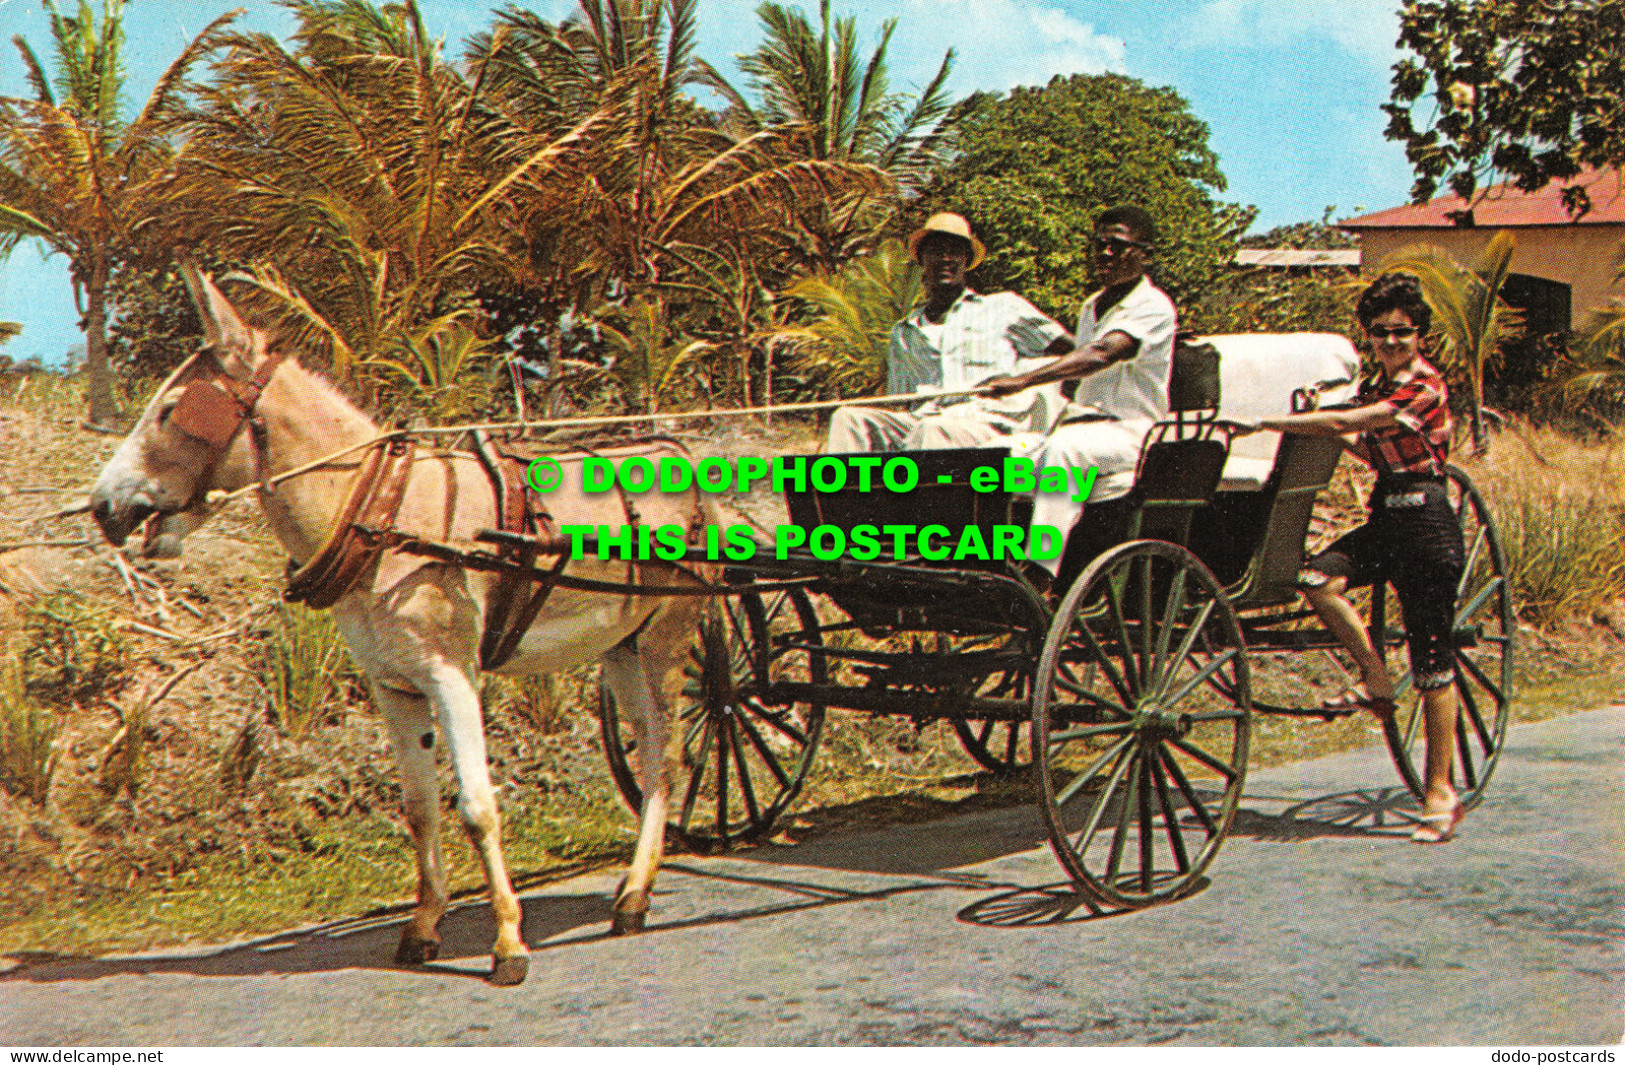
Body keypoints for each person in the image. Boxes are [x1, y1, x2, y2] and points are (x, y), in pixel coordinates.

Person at [1243, 272, 1466, 844]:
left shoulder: (1426, 387)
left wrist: (1269, 421)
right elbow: (1354, 435)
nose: (1391, 341)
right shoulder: (1375, 387)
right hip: (1387, 518)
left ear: (1420, 335)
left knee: (1435, 665)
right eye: (1381, 332)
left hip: (1428, 524)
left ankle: (1440, 792)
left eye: (1402, 332)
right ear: (1369, 335)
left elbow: (1349, 424)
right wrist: (1310, 412)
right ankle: (1375, 679)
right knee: (1317, 581)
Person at [979, 205, 1178, 576]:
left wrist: (1024, 380)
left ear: (1145, 255)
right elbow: (1077, 373)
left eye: (1117, 247)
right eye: (1100, 244)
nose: (1105, 254)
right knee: (992, 456)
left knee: (1064, 452)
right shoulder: (1092, 306)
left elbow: (1101, 354)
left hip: (1131, 432)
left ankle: (1040, 571)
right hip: (1079, 425)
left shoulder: (1154, 307)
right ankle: (987, 564)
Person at [825, 212, 1071, 453]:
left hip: (984, 423)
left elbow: (1076, 350)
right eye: (935, 251)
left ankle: (916, 494)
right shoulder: (904, 332)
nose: (946, 258)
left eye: (954, 251)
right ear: (922, 260)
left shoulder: (1004, 307)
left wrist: (1026, 381)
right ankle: (843, 494)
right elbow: (900, 403)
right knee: (848, 418)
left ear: (966, 260)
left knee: (932, 430)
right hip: (923, 422)